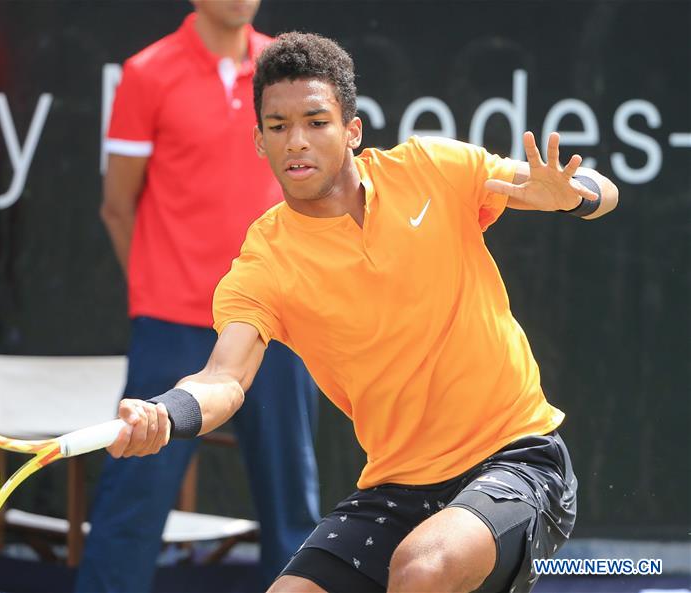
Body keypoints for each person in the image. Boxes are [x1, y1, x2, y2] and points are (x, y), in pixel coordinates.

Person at [104, 32, 619, 593]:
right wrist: (168, 411)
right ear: (259, 140)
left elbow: (601, 189)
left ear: (352, 130)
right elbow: (224, 379)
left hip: (517, 458)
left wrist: (574, 195)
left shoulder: (432, 168)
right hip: (397, 488)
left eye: (316, 122)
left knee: (422, 570)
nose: (296, 141)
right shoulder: (265, 261)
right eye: (278, 127)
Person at [75, 4, 321, 592]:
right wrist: (166, 282)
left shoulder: (284, 66)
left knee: (293, 506)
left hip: (279, 324)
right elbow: (118, 205)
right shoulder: (147, 72)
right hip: (172, 323)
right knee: (133, 499)